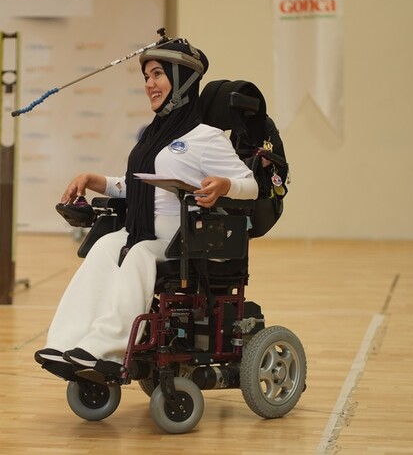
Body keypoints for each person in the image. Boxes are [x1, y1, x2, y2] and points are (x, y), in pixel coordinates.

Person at [34, 39, 259, 379]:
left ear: (182, 79)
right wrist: (97, 180)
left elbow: (251, 185)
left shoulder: (206, 137)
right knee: (103, 250)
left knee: (138, 255)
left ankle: (107, 351)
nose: (149, 84)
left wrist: (226, 186)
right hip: (143, 232)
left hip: (184, 239)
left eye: (157, 74)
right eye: (146, 77)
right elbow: (138, 184)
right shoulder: (153, 135)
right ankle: (67, 343)